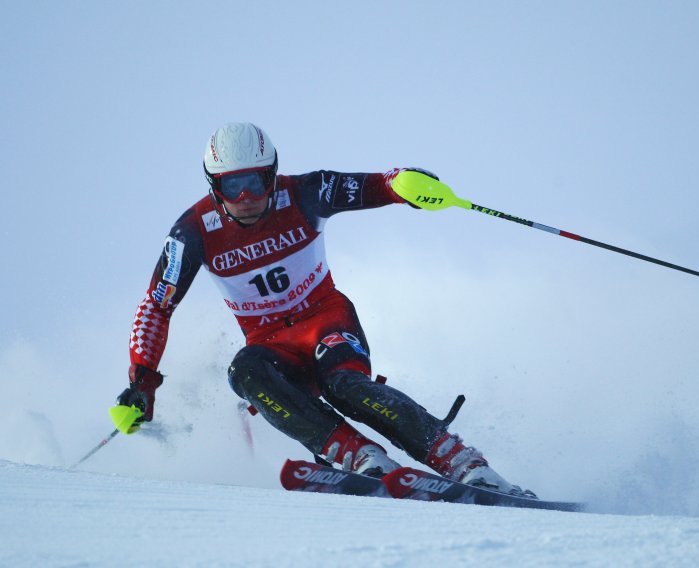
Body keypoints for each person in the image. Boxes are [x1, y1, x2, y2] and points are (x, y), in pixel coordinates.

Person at [117, 122, 534, 496]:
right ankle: (364, 458)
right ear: (213, 187)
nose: (245, 198)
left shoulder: (304, 192)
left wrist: (406, 185)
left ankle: (466, 465)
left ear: (273, 175)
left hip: (325, 320)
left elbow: (376, 185)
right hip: (272, 346)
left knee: (345, 386)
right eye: (231, 187)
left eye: (257, 183)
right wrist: (142, 382)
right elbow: (156, 307)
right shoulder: (192, 232)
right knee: (244, 372)